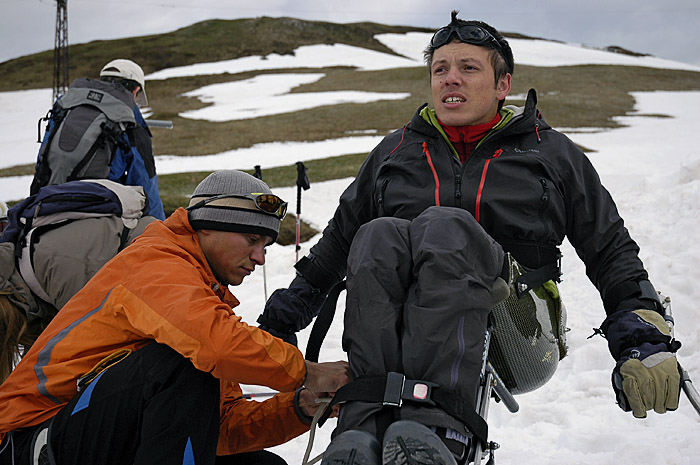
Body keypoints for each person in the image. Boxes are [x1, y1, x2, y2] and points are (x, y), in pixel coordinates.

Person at [257, 11, 682, 464]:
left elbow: (609, 246)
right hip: (404, 330)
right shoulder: (395, 151)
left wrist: (641, 328)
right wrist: (281, 320)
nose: (450, 79)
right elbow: (337, 247)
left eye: (468, 68)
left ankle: (444, 429)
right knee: (377, 235)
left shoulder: (549, 152)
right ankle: (362, 429)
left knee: (444, 227)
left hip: (514, 330)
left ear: (503, 85)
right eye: (440, 69)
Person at [0, 170, 350, 465]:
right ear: (208, 227)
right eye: (251, 239)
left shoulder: (201, 297)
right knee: (182, 363)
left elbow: (220, 426)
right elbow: (218, 347)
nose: (259, 257)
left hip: (87, 432)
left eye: (266, 246)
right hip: (30, 437)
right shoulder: (155, 263)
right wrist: (308, 371)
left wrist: (298, 408)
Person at [98, 58, 166, 220]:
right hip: (102, 211)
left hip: (51, 204)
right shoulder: (131, 120)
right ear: (135, 90)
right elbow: (144, 186)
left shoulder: (69, 109)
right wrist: (161, 231)